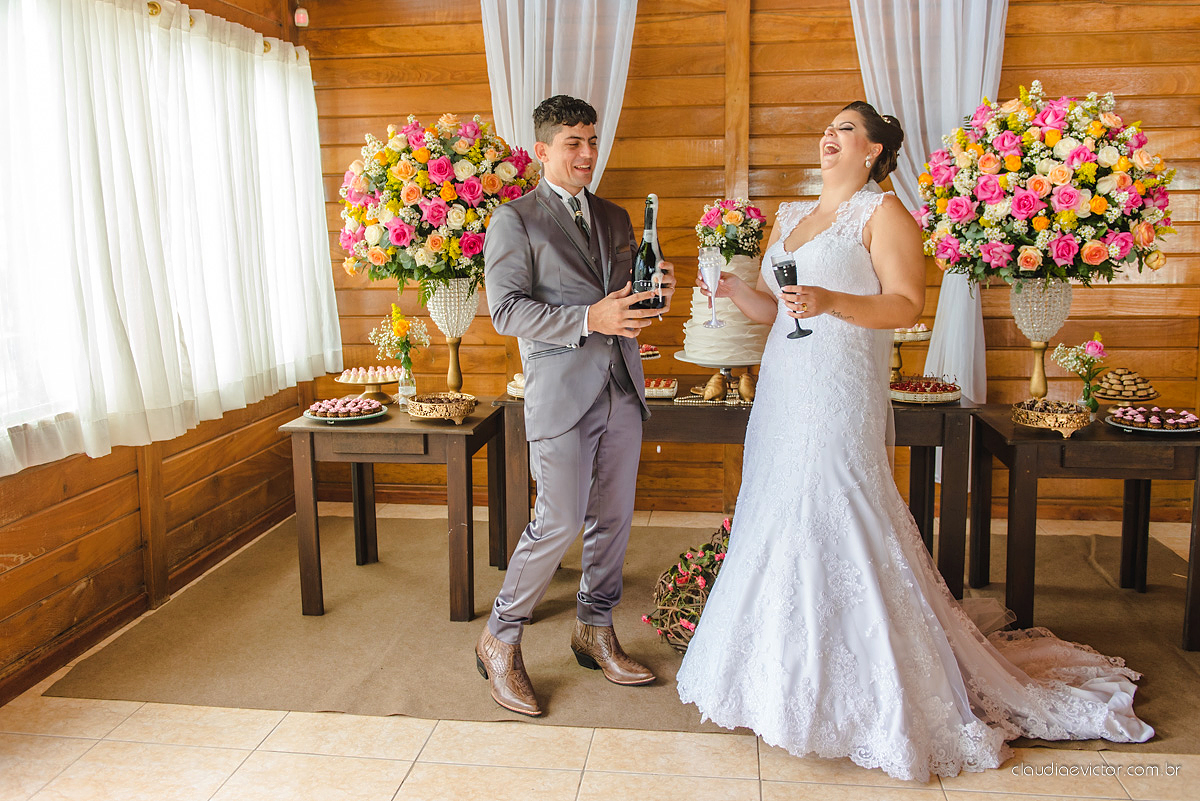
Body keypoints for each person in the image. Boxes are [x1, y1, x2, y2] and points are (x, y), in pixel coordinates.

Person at [675, 101, 1153, 781]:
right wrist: (732, 290)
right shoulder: (789, 217)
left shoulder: (884, 213)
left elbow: (905, 305)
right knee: (777, 510)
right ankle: (775, 685)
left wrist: (833, 300)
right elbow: (778, 310)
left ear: (872, 151)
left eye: (844, 129)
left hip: (839, 389)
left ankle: (867, 687)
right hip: (784, 387)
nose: (829, 136)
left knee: (838, 506)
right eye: (828, 127)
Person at [478, 95, 676, 717]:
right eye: (574, 143)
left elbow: (627, 296)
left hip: (623, 384)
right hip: (561, 390)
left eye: (592, 140)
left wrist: (652, 298)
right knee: (558, 521)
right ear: (541, 151)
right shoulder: (515, 220)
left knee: (614, 519)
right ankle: (500, 637)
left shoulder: (618, 217)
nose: (588, 153)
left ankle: (595, 626)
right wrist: (591, 316)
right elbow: (507, 310)